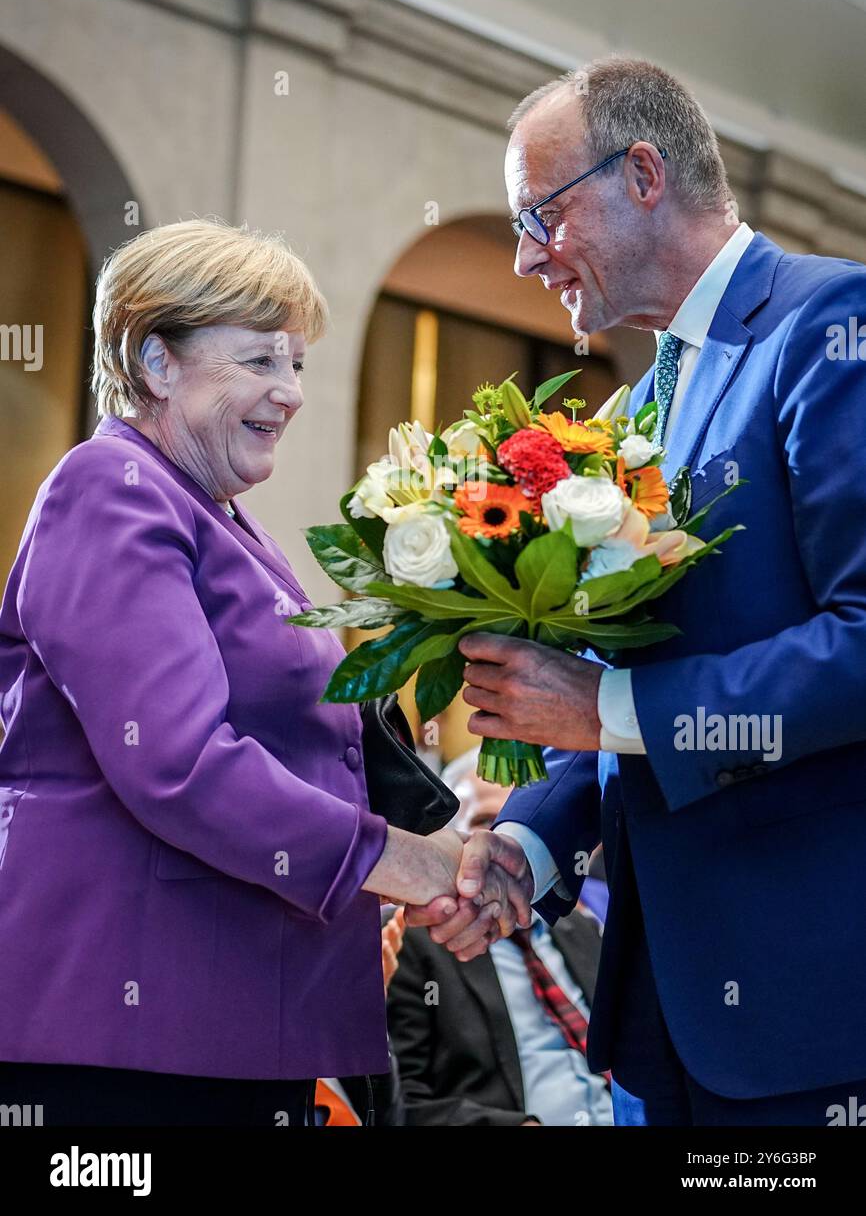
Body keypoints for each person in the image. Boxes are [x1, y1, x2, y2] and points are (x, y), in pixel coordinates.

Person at [408, 56, 866, 1125]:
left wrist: (606, 709)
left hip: (808, 1002)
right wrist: (523, 843)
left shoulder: (823, 327)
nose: (524, 255)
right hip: (663, 1012)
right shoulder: (643, 402)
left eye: (540, 213)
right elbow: (621, 675)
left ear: (644, 171)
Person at [0, 218, 516, 1127]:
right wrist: (398, 862)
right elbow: (178, 762)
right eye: (259, 362)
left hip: (228, 1021)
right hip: (132, 1033)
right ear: (156, 362)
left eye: (297, 365)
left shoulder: (225, 519)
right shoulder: (111, 486)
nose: (291, 392)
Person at [388, 756, 611, 1125]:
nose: (497, 848)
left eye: (510, 832)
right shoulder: (411, 943)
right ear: (446, 836)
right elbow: (399, 1101)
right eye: (479, 825)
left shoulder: (579, 927)